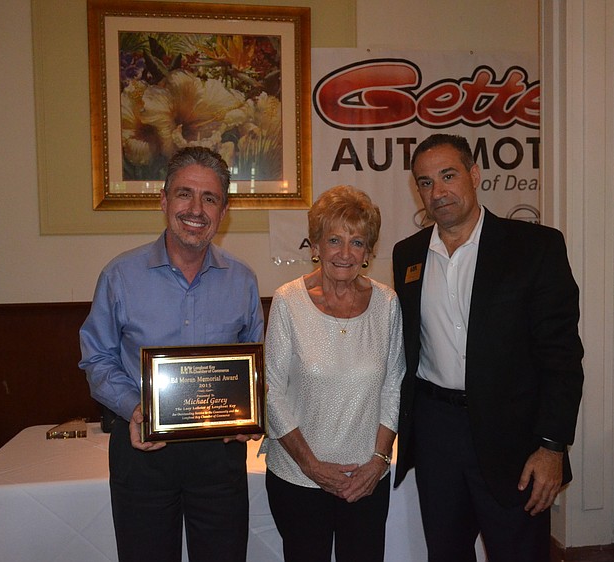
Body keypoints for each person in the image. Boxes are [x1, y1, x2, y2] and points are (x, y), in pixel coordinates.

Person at [391, 134, 584, 562]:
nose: (437, 192)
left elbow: (562, 357)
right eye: (425, 182)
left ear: (474, 175)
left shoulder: (535, 247)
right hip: (436, 432)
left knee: (520, 553)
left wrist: (552, 446)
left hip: (513, 440)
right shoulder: (408, 255)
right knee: (445, 552)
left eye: (448, 176)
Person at [79, 146, 265, 562]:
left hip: (219, 456)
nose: (196, 209)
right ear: (163, 200)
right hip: (141, 446)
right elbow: (96, 359)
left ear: (224, 210)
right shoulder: (119, 276)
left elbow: (255, 365)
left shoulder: (244, 280)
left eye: (210, 198)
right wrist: (134, 408)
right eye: (184, 194)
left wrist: (252, 413)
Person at [263, 185, 405, 562]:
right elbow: (272, 392)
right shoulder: (287, 301)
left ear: (369, 252)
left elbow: (394, 387)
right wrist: (313, 467)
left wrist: (378, 461)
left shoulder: (387, 304)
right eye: (335, 240)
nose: (345, 253)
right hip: (298, 478)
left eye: (357, 242)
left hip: (367, 479)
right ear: (315, 246)